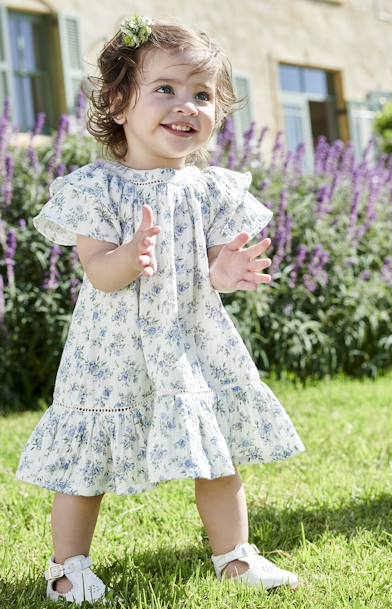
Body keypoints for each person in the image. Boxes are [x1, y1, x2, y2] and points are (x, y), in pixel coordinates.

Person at [16, 14, 305, 604]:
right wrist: (130, 255)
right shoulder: (97, 188)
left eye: (202, 95)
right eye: (166, 89)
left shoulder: (211, 188)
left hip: (191, 342)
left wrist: (224, 272)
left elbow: (214, 270)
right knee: (86, 461)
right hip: (112, 350)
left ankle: (234, 556)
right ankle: (67, 566)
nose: (186, 106)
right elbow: (99, 273)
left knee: (215, 450)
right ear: (120, 104)